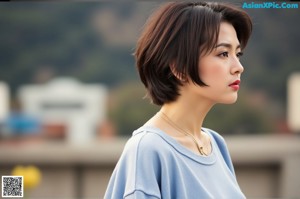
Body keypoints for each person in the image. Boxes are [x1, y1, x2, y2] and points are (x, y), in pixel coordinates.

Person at [104, 1, 252, 199]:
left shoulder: (215, 143)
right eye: (223, 53)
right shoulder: (148, 150)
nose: (238, 66)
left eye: (238, 53)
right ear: (179, 67)